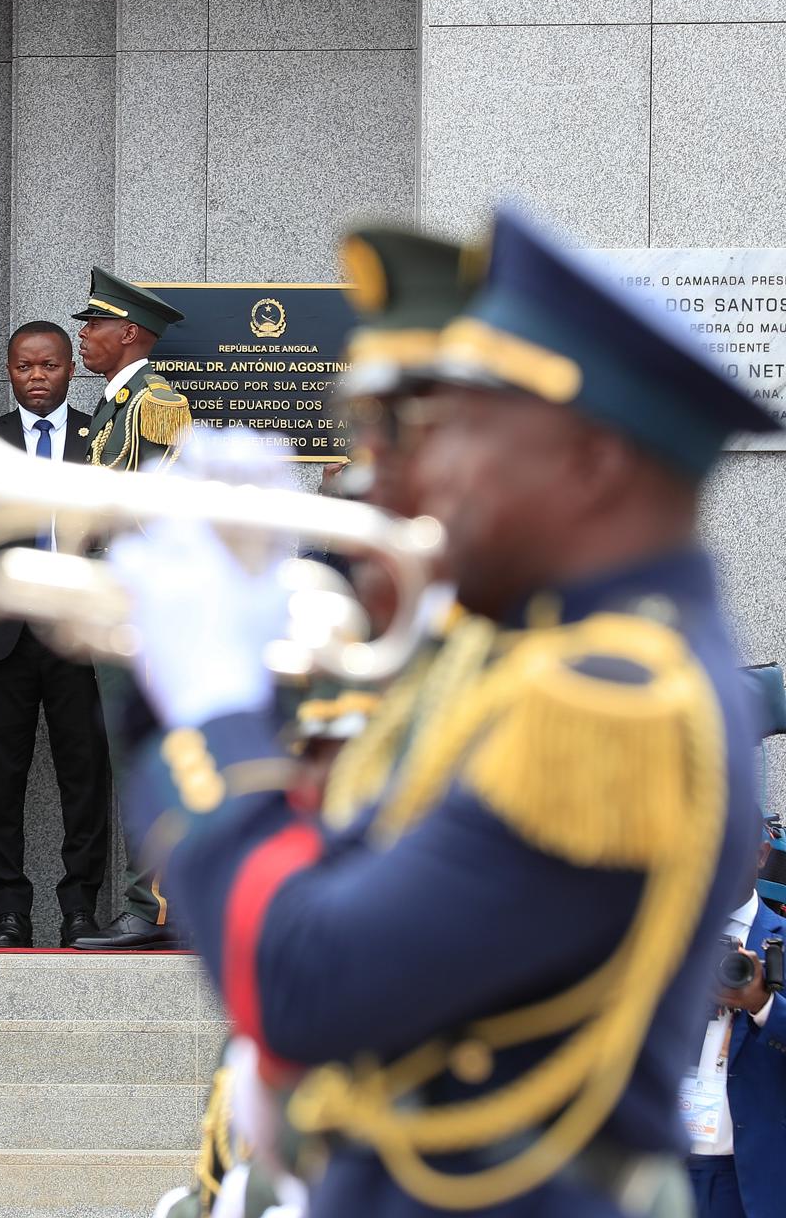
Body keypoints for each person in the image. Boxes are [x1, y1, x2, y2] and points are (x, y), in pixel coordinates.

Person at [120, 207, 774, 1215]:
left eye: (462, 432)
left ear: (591, 460)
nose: (426, 470)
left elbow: (305, 981)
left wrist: (211, 707)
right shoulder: (579, 661)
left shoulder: (606, 700)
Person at [0, 320, 109, 948]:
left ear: (70, 368)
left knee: (84, 774)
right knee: (2, 778)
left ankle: (80, 908)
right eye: (23, 367)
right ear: (9, 371)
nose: (36, 378)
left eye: (49, 366)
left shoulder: (103, 438)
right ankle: (10, 911)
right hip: (0, 638)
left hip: (79, 634)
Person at [66, 266, 192, 952]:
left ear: (131, 333)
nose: (84, 336)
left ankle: (158, 906)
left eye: (95, 325)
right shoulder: (119, 405)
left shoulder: (153, 404)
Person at [683, 823, 786, 1218]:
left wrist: (762, 1003)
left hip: (752, 1179)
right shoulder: (663, 937)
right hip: (663, 1169)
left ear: (761, 854)